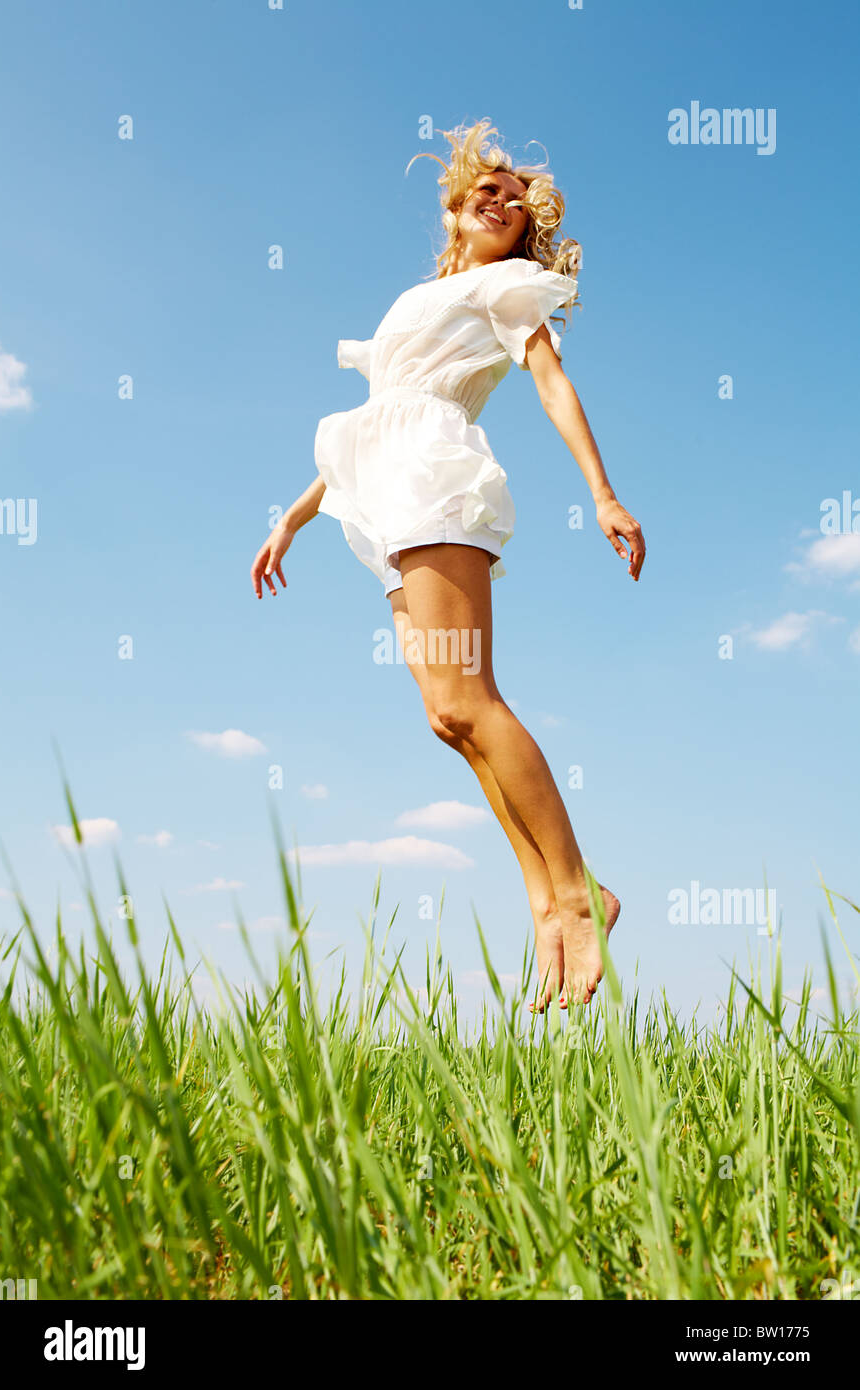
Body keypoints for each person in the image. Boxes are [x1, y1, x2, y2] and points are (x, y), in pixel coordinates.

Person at [250, 120, 645, 1009]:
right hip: (383, 492)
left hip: (434, 481)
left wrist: (604, 493)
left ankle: (580, 891)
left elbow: (549, 382)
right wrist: (295, 518)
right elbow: (372, 418)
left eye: (518, 199)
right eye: (489, 191)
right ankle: (545, 900)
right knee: (446, 718)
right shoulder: (422, 299)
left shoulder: (513, 287)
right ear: (458, 207)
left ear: (524, 229)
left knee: (472, 698)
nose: (502, 201)